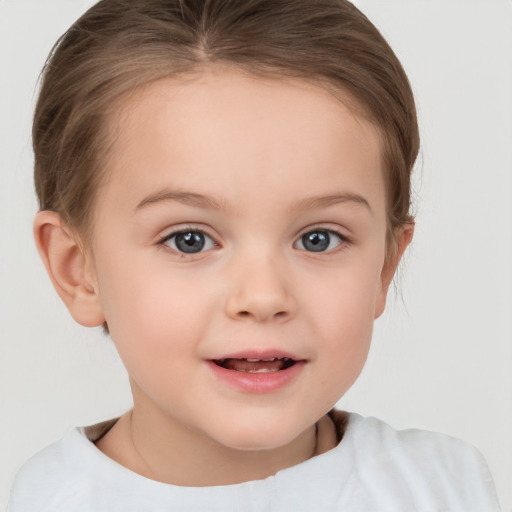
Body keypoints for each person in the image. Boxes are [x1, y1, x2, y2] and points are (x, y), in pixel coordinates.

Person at [7, 0, 501, 510]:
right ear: (78, 271)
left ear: (383, 267)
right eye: (189, 239)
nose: (264, 297)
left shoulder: (444, 488)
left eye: (319, 238)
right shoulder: (48, 500)